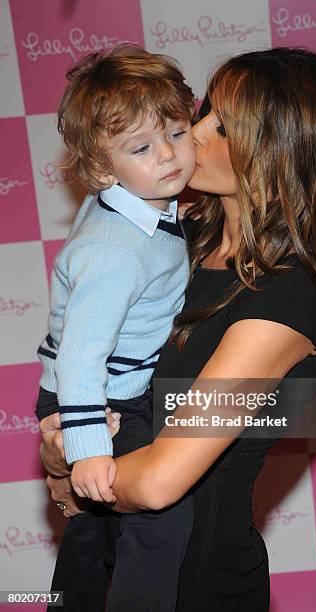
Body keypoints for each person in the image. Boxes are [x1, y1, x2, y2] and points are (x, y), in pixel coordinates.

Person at [41, 48, 316, 611]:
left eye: (222, 126)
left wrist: (74, 471)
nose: (191, 133)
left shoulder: (285, 298)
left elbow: (160, 480)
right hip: (115, 562)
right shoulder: (181, 239)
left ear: (278, 152)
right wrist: (65, 461)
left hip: (196, 588)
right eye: (202, 110)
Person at [35, 44, 196, 612]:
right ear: (102, 169)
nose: (169, 156)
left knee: (91, 531)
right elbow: (81, 354)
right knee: (161, 514)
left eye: (177, 133)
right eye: (142, 148)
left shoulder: (140, 204)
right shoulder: (116, 251)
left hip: (106, 389)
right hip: (101, 399)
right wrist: (87, 449)